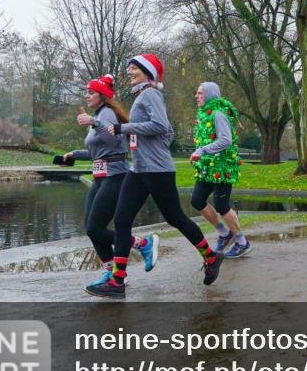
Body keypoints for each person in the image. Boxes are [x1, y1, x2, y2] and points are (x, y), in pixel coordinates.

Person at [85, 54, 224, 299]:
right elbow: (164, 132)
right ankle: (117, 281)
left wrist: (122, 128)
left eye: (134, 69)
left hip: (157, 170)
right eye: (129, 69)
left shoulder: (150, 94)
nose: (129, 72)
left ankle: (211, 257)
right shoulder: (142, 95)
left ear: (148, 73)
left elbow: (161, 126)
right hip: (138, 170)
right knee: (121, 220)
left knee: (176, 218)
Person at [64, 74, 157, 288]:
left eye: (91, 92)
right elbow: (99, 152)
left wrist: (93, 122)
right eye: (86, 92)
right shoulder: (100, 115)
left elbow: (114, 138)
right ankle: (110, 270)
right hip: (101, 176)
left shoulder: (105, 114)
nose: (87, 96)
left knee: (95, 228)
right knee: (91, 228)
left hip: (115, 176)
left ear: (103, 95)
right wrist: (74, 154)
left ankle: (142, 244)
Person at [190, 81, 250, 258]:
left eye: (200, 93)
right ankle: (225, 233)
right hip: (208, 167)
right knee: (197, 200)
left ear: (209, 95)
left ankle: (242, 242)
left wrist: (202, 150)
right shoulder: (204, 115)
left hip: (222, 166)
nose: (197, 96)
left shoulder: (217, 114)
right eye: (197, 93)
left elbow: (226, 140)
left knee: (222, 206)